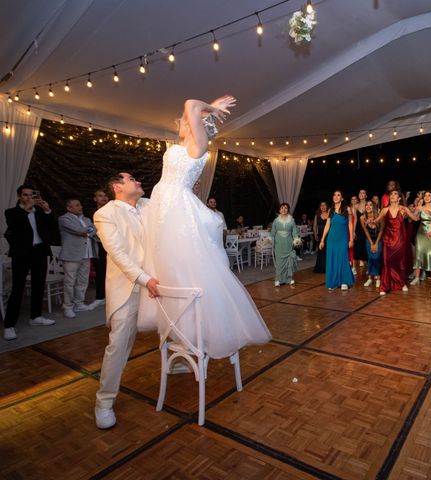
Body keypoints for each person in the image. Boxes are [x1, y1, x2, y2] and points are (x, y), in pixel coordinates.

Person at [137, 96, 271, 360]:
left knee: (186, 266)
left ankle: (196, 330)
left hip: (176, 206)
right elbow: (189, 108)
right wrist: (208, 108)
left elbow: (189, 103)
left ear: (199, 126)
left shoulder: (199, 146)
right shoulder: (184, 145)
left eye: (187, 121)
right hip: (163, 205)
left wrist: (211, 107)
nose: (182, 122)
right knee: (169, 265)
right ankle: (181, 329)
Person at [94, 172, 159, 429]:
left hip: (158, 281)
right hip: (129, 286)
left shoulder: (147, 204)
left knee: (174, 323)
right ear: (117, 186)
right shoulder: (105, 214)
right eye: (132, 179)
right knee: (119, 344)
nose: (139, 182)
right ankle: (104, 402)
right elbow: (118, 254)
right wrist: (145, 280)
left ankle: (175, 363)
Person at [3, 186, 56, 340]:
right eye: (25, 195)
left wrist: (47, 211)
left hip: (39, 251)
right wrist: (26, 210)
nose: (28, 198)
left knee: (38, 285)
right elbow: (15, 226)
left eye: (31, 195)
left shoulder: (39, 211)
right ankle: (9, 325)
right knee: (17, 288)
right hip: (21, 254)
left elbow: (52, 227)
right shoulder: (11, 212)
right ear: (19, 196)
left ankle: (36, 317)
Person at [58, 198, 98, 318]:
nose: (80, 207)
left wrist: (89, 230)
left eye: (80, 204)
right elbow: (79, 230)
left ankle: (79, 303)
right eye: (76, 205)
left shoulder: (86, 219)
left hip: (86, 254)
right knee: (70, 282)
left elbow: (94, 230)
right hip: (71, 255)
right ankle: (68, 306)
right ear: (69, 208)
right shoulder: (64, 219)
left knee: (83, 280)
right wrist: (89, 230)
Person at [375, 190, 418, 295]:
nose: (393, 196)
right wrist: (371, 221)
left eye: (395, 194)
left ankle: (401, 283)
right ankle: (384, 286)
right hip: (387, 240)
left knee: (399, 262)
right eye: (391, 194)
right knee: (386, 261)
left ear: (399, 198)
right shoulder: (385, 210)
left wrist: (411, 210)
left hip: (399, 240)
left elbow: (415, 218)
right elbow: (376, 221)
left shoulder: (403, 209)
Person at [319, 190, 355, 290]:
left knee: (343, 258)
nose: (336, 197)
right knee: (332, 260)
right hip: (331, 238)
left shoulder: (347, 209)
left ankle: (344, 281)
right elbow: (327, 225)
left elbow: (350, 224)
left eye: (338, 195)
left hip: (343, 238)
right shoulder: (330, 210)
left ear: (342, 198)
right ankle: (333, 282)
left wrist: (351, 239)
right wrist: (322, 239)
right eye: (334, 195)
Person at [270, 202, 301, 286]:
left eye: (286, 208)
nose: (284, 209)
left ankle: (289, 279)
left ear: (288, 210)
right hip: (279, 245)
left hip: (288, 244)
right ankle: (278, 279)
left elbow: (294, 232)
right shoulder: (276, 221)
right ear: (279, 210)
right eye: (282, 208)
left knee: (289, 262)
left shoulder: (291, 220)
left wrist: (296, 240)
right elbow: (272, 233)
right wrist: (269, 240)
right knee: (280, 263)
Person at [410, 191, 431, 285]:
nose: (427, 197)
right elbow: (415, 218)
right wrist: (408, 211)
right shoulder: (419, 207)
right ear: (423, 198)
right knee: (419, 253)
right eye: (425, 196)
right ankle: (417, 277)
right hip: (420, 233)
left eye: (429, 195)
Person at [91, 189, 109, 308]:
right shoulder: (90, 214)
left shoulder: (113, 212)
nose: (103, 198)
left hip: (112, 245)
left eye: (105, 196)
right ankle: (100, 296)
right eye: (100, 196)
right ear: (95, 198)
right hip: (98, 246)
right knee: (100, 271)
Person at [360, 200, 383, 287]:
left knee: (377, 258)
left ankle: (378, 278)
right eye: (367, 205)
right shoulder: (362, 218)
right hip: (369, 240)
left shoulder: (379, 217)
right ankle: (370, 278)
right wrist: (371, 243)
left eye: (370, 205)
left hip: (378, 239)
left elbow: (381, 230)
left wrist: (376, 243)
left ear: (374, 207)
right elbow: (366, 231)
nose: (368, 207)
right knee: (370, 258)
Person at [353, 189, 368, 268]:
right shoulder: (355, 206)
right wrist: (353, 231)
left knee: (366, 246)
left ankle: (369, 267)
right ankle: (354, 268)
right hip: (358, 228)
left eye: (363, 193)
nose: (361, 194)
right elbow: (355, 219)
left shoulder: (369, 204)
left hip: (367, 228)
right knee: (357, 247)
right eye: (360, 192)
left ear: (366, 195)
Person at [313, 201, 329, 273]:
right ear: (320, 207)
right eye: (321, 205)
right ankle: (321, 267)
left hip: (329, 235)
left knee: (328, 251)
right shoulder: (317, 215)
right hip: (320, 235)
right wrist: (315, 234)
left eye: (324, 205)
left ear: (327, 206)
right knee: (321, 251)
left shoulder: (329, 214)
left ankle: (329, 267)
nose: (323, 207)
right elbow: (315, 226)